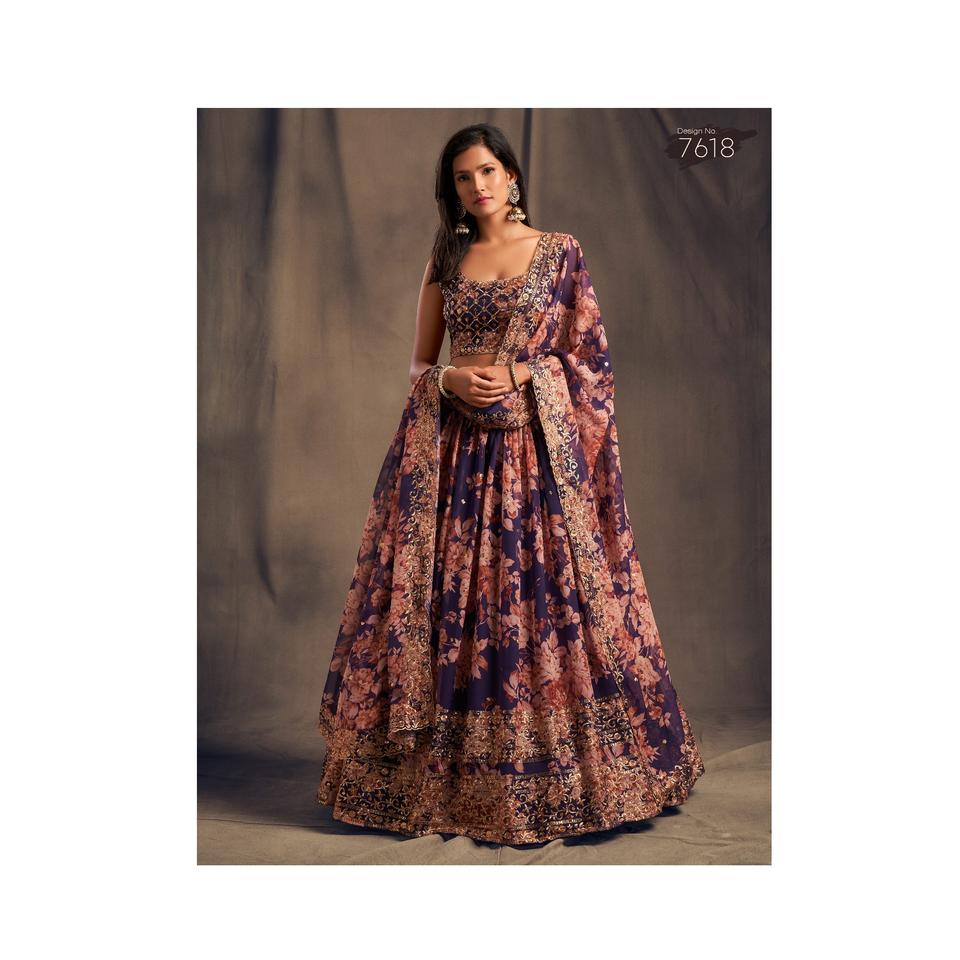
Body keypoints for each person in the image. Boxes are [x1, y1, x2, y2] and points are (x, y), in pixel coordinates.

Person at [315, 123, 705, 845]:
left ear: (512, 175)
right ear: (453, 189)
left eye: (488, 171)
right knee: (449, 608)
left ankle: (553, 776)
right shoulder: (446, 257)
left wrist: (527, 371)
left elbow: (590, 360)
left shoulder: (559, 253)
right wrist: (450, 380)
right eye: (463, 177)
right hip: (451, 461)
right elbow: (420, 364)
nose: (478, 186)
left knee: (531, 602)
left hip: (532, 462)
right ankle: (445, 782)